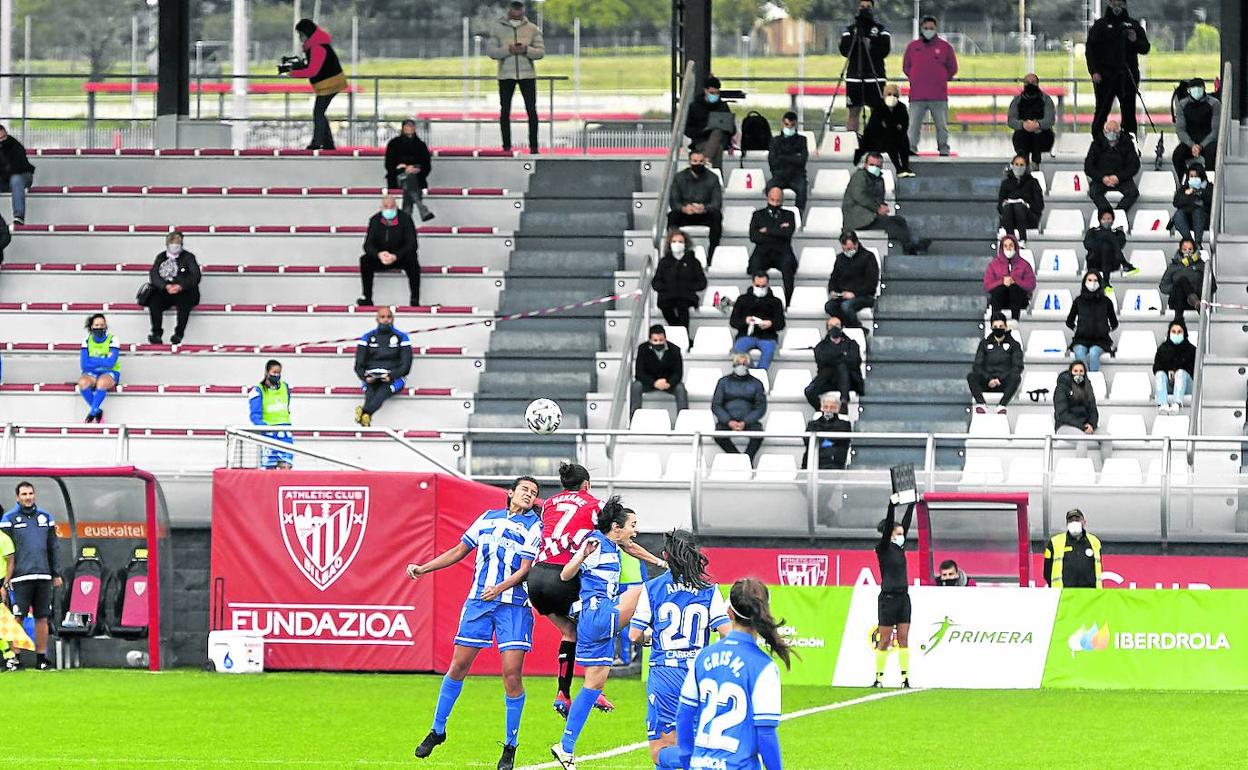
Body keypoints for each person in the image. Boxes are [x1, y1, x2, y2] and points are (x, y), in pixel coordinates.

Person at [408, 476, 542, 770]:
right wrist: (423, 568)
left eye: (533, 493)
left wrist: (499, 587)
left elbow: (525, 569)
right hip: (479, 602)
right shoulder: (487, 518)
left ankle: (510, 746)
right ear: (510, 493)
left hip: (512, 607)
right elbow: (459, 552)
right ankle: (437, 730)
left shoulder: (535, 526)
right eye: (524, 490)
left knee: (511, 675)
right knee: (457, 667)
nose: (529, 495)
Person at [529, 463, 664, 717]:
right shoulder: (596, 504)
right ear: (586, 485)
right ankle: (594, 687)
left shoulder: (549, 504)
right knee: (601, 617)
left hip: (536, 579)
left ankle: (563, 693)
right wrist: (658, 561)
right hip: (563, 575)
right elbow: (624, 540)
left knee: (570, 632)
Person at [551, 498, 647, 769]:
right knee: (645, 591)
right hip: (597, 614)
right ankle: (644, 635)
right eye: (633, 525)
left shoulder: (613, 546)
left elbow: (631, 547)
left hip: (597, 620)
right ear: (616, 527)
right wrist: (581, 555)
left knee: (593, 686)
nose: (635, 531)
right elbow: (566, 575)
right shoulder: (595, 543)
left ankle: (565, 747)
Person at [626, 530, 730, 770]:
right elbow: (726, 632)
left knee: (661, 749)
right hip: (698, 676)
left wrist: (648, 638)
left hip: (665, 674)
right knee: (694, 738)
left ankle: (704, 764)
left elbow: (634, 635)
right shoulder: (709, 590)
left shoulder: (652, 587)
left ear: (665, 555)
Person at [675, 578, 791, 770]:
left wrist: (688, 761)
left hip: (700, 765)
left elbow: (684, 716)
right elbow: (765, 734)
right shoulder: (763, 666)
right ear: (765, 612)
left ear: (729, 612)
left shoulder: (703, 657)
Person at [0, 482, 62, 670]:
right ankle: (15, 659)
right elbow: (4, 550)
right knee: (16, 617)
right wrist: (5, 580)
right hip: (19, 577)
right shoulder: (8, 519)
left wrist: (55, 573)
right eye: (24, 494)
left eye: (30, 493)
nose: (28, 497)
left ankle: (41, 658)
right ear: (17, 497)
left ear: (34, 495)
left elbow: (53, 547)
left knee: (42, 617)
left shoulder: (46, 517)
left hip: (43, 575)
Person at [842, 152, 930, 255]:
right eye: (871, 165)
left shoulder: (879, 179)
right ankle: (910, 247)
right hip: (858, 218)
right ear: (865, 165)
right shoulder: (859, 176)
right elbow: (859, 196)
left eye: (878, 166)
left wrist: (883, 206)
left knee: (899, 220)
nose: (874, 168)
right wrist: (878, 208)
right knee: (891, 224)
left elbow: (878, 199)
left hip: (871, 215)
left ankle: (910, 245)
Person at [1085, 0, 1150, 138]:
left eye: (1120, 4)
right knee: (1102, 110)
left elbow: (1145, 48)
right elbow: (1090, 50)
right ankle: (1098, 141)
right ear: (1109, 4)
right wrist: (1094, 71)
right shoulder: (1100, 25)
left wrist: (1135, 40)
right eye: (1114, 4)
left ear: (1125, 5)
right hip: (1105, 76)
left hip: (1128, 76)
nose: (1117, 7)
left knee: (1128, 111)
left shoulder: (1133, 25)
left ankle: (1129, 141)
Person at [488, 1, 544, 154]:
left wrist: (526, 50)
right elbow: (492, 52)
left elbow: (540, 53)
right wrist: (509, 50)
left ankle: (534, 146)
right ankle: (506, 146)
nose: (517, 11)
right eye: (514, 8)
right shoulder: (498, 29)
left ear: (523, 9)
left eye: (519, 8)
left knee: (531, 111)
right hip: (506, 75)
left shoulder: (532, 29)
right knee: (505, 111)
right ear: (510, 9)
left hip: (527, 75)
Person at [285, 19, 348, 151]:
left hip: (329, 83)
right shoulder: (316, 45)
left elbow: (312, 70)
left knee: (318, 112)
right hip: (329, 83)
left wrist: (293, 73)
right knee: (320, 112)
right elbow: (312, 66)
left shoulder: (317, 47)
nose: (300, 38)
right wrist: (296, 66)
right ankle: (328, 144)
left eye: (301, 35)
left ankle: (317, 143)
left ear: (307, 34)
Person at [873, 494, 914, 688]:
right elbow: (891, 524)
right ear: (889, 533)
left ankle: (905, 678)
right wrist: (891, 505)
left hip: (903, 598)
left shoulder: (900, 548)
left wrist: (912, 503)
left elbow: (906, 522)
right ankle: (879, 677)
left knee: (904, 638)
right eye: (897, 533)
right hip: (888, 599)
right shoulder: (883, 548)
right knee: (885, 640)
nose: (901, 535)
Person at [902, 15, 958, 156]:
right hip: (917, 95)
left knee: (942, 126)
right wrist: (916, 78)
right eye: (926, 28)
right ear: (921, 29)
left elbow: (952, 68)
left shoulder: (945, 47)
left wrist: (940, 78)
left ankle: (943, 149)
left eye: (931, 28)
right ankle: (911, 149)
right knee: (913, 126)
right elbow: (906, 67)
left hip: (938, 95)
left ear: (936, 29)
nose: (928, 30)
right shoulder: (912, 47)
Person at [352, 306, 412, 426]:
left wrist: (391, 375)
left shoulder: (402, 337)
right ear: (377, 319)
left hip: (394, 377)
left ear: (393, 319)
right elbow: (359, 364)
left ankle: (365, 413)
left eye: (389, 317)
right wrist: (365, 377)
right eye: (382, 317)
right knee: (370, 391)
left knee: (383, 391)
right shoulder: (367, 337)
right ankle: (365, 418)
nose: (386, 320)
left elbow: (406, 365)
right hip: (372, 376)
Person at [358, 195, 420, 308]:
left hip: (400, 257)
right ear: (381, 207)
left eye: (392, 206)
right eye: (386, 207)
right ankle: (367, 297)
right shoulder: (375, 220)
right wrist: (379, 255)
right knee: (365, 260)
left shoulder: (406, 219)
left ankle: (415, 298)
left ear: (396, 206)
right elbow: (367, 245)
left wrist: (396, 256)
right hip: (382, 257)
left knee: (413, 261)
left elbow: (412, 244)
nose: (389, 209)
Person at [839, 0, 890, 133]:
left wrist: (870, 46)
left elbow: (884, 50)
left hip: (875, 77)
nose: (865, 9)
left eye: (868, 7)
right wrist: (857, 41)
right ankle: (853, 142)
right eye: (862, 7)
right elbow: (845, 50)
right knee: (853, 112)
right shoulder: (850, 30)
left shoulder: (881, 30)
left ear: (873, 9)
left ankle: (875, 142)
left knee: (877, 112)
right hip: (854, 77)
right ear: (858, 8)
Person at [667, 150, 723, 265]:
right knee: (672, 216)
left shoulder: (713, 178)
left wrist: (704, 208)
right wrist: (684, 208)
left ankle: (712, 256)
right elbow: (674, 201)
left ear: (705, 162)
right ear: (689, 162)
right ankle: (670, 255)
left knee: (717, 216)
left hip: (704, 214)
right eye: (695, 161)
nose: (698, 164)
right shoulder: (679, 177)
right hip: (686, 213)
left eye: (701, 161)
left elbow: (716, 203)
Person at [146, 230, 201, 345]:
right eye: (172, 242)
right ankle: (156, 333)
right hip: (166, 290)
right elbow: (154, 275)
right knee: (154, 301)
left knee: (185, 303)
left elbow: (195, 276)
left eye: (178, 242)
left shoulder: (189, 257)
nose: (175, 245)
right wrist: (165, 286)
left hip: (183, 291)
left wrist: (180, 286)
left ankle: (179, 333)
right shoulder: (161, 257)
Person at [747, 187, 798, 307]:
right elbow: (754, 237)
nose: (775, 203)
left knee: (788, 267)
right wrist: (778, 229)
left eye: (778, 200)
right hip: (763, 253)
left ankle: (788, 302)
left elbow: (787, 234)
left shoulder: (789, 215)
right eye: (772, 200)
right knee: (755, 265)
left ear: (782, 200)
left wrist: (766, 230)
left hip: (782, 253)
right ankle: (756, 300)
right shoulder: (758, 215)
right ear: (767, 198)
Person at [711, 353, 767, 461]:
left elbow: (761, 407)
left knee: (759, 434)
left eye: (744, 363)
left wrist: (745, 422)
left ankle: (748, 458)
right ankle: (738, 459)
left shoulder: (757, 383)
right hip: (727, 421)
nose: (741, 366)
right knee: (718, 434)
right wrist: (728, 421)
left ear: (748, 365)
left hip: (749, 421)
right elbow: (716, 405)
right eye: (738, 363)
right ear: (734, 364)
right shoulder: (723, 382)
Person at [967, 313, 1023, 415]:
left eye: (1001, 327)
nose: (998, 329)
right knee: (971, 376)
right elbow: (977, 365)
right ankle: (981, 404)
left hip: (1004, 382)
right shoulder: (984, 344)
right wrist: (989, 379)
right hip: (987, 381)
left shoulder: (1014, 345)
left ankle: (1002, 405)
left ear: (1006, 327)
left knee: (1016, 377)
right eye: (995, 327)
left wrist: (999, 379)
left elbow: (1018, 366)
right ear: (991, 327)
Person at [805, 316, 863, 412]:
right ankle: (823, 411)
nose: (834, 328)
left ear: (842, 327)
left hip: (849, 382)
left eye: (837, 325)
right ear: (827, 328)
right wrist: (842, 355)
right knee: (809, 391)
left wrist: (834, 358)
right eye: (831, 326)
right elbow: (822, 360)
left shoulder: (852, 344)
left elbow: (855, 361)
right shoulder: (821, 346)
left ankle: (844, 402)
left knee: (842, 367)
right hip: (828, 380)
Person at [652, 229, 707, 330]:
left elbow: (702, 283)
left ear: (686, 244)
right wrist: (666, 287)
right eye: (674, 241)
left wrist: (688, 287)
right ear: (669, 244)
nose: (677, 244)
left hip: (686, 296)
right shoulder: (664, 262)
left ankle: (682, 334)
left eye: (680, 241)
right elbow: (656, 282)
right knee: (666, 306)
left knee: (683, 306)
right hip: (667, 296)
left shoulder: (694, 262)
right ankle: (679, 332)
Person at [730, 273, 786, 370]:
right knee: (739, 349)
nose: (760, 288)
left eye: (763, 286)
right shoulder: (742, 300)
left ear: (768, 284)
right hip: (746, 335)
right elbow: (733, 321)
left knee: (768, 350)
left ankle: (760, 374)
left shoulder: (776, 302)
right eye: (757, 286)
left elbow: (781, 323)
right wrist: (745, 321)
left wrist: (770, 323)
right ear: (752, 283)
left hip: (767, 337)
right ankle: (751, 372)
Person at [631, 325, 689, 418]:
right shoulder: (642, 349)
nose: (658, 343)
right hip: (649, 383)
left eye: (661, 340)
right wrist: (654, 383)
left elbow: (678, 373)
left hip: (668, 383)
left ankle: (684, 420)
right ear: (650, 340)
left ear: (665, 338)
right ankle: (634, 418)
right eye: (655, 340)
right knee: (636, 386)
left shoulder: (675, 350)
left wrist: (669, 383)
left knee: (680, 388)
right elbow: (639, 373)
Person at [856, 82, 914, 177]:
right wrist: (894, 127)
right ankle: (898, 168)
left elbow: (904, 125)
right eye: (889, 94)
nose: (892, 97)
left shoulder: (902, 108)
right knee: (890, 141)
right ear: (884, 95)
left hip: (896, 137)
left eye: (895, 95)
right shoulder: (879, 107)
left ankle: (905, 167)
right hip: (879, 140)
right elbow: (874, 127)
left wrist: (891, 127)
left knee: (903, 140)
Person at [825, 230, 879, 329]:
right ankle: (851, 327)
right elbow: (833, 278)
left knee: (846, 306)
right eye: (844, 249)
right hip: (843, 295)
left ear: (856, 244)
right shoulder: (840, 258)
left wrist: (855, 294)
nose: (847, 251)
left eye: (849, 248)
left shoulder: (868, 257)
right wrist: (832, 291)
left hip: (864, 295)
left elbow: (871, 283)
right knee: (829, 306)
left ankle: (857, 329)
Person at [1084, 119, 1141, 214]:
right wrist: (1102, 178)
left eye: (1115, 130)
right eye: (1109, 130)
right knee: (1093, 192)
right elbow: (1088, 167)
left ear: (1119, 131)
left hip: (1122, 179)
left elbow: (1134, 165)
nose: (1112, 133)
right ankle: (1107, 214)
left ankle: (1118, 214)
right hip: (1101, 179)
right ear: (1104, 131)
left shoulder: (1127, 143)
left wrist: (1118, 177)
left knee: (1133, 193)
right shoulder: (1096, 144)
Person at [1066, 272, 1119, 372]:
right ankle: (1086, 382)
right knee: (1080, 353)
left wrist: (1104, 329)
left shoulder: (1106, 302)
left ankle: (1092, 382)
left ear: (1100, 282)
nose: (1092, 283)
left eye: (1095, 280)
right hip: (1080, 339)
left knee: (1093, 353)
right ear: (1084, 282)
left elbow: (1114, 323)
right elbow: (1069, 321)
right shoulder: (1078, 301)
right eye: (1089, 280)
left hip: (1101, 341)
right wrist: (1077, 329)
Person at [384, 119, 435, 222]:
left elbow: (426, 165)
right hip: (398, 177)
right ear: (403, 128)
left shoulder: (421, 145)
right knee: (409, 180)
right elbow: (389, 165)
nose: (409, 128)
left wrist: (416, 169)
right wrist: (404, 169)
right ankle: (422, 208)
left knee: (409, 183)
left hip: (416, 178)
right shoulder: (394, 144)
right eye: (407, 126)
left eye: (411, 126)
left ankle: (405, 221)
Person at [247, 359, 294, 470]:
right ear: (267, 372)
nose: (277, 375)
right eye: (274, 373)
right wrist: (264, 428)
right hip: (268, 434)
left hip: (285, 433)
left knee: (286, 466)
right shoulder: (258, 390)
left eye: (279, 373)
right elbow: (255, 415)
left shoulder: (285, 387)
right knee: (269, 469)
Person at [1054, 361, 1102, 464]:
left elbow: (1093, 410)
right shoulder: (1062, 387)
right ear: (1071, 372)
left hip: (1086, 426)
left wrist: (1092, 425)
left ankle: (1107, 472)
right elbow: (1062, 414)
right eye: (1075, 371)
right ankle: (1081, 472)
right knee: (1082, 439)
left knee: (1106, 438)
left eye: (1081, 371)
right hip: (1065, 426)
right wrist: (1082, 427)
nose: (1078, 374)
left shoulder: (1088, 387)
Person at [1172, 77, 1220, 180]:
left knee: (1212, 155)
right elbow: (1180, 129)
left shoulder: (1214, 104)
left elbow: (1215, 130)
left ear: (1204, 88)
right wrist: (1192, 145)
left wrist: (1201, 146)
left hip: (1208, 141)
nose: (1197, 90)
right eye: (1194, 88)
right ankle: (1183, 182)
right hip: (1190, 141)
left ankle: (1210, 183)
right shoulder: (1182, 105)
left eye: (1199, 88)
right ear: (1189, 90)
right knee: (1177, 156)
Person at [982, 234, 1035, 324]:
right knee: (999, 289)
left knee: (1014, 288)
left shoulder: (1024, 265)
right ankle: (996, 322)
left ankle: (1015, 320)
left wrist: (1015, 281)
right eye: (1005, 246)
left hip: (1019, 301)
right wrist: (1001, 281)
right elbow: (987, 285)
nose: (1008, 248)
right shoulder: (993, 265)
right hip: (1000, 299)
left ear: (1015, 247)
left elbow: (1031, 284)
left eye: (1011, 245)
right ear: (1002, 248)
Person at [1007, 74, 1056, 171]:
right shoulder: (1017, 101)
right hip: (1022, 133)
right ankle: (1023, 165)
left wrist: (1037, 125)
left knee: (1038, 135)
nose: (1030, 85)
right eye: (1027, 83)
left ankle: (1035, 164)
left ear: (1038, 84)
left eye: (1033, 82)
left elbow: (1050, 120)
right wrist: (1023, 125)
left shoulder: (1046, 100)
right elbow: (1011, 121)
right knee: (1021, 136)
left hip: (1043, 134)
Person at [1044, 509, 1103, 589]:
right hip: (1063, 594)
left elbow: (1098, 568)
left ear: (1084, 522)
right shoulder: (1055, 542)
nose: (1074, 522)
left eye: (1077, 519)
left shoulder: (1094, 542)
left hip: (1090, 594)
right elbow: (1047, 571)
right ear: (1067, 524)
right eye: (1070, 520)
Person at [1083, 207, 1137, 294]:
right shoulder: (1092, 232)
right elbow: (1088, 245)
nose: (1106, 221)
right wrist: (1106, 236)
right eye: (1104, 219)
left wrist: (1105, 237)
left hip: (1113, 263)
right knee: (1106, 244)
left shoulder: (1118, 233)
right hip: (1095, 263)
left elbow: (1120, 244)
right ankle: (1125, 265)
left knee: (1106, 246)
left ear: (1113, 220)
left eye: (1109, 219)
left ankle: (1106, 282)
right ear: (1099, 220)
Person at [78, 313, 119, 424]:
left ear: (105, 326)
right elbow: (84, 365)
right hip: (91, 373)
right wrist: (103, 360)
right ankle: (97, 410)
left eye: (102, 325)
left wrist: (92, 359)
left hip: (110, 372)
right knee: (82, 383)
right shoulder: (86, 341)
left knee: (101, 383)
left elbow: (111, 363)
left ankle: (91, 414)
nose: (99, 327)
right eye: (96, 325)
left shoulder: (112, 339)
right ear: (91, 327)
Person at [1159, 238, 1213, 322]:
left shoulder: (1202, 265)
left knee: (1183, 282)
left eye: (1190, 249)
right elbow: (1163, 287)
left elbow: (1212, 286)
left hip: (1196, 301)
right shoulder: (1174, 266)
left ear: (1194, 250)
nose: (1187, 252)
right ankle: (1193, 303)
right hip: (1176, 300)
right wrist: (1176, 287)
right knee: (1181, 281)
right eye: (1184, 249)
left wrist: (1197, 288)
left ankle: (1192, 306)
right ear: (1180, 250)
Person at [684, 76, 733, 167]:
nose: (714, 95)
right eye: (712, 93)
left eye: (717, 93)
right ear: (705, 91)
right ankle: (708, 164)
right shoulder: (695, 107)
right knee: (717, 148)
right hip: (701, 140)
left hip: (720, 139)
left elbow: (732, 128)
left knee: (717, 131)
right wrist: (703, 130)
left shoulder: (723, 106)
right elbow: (687, 130)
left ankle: (704, 162)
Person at [766, 112, 809, 213]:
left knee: (802, 189)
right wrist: (794, 157)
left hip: (797, 176)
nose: (789, 128)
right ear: (782, 124)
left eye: (792, 125)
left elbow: (802, 161)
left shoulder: (802, 140)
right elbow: (773, 162)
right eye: (786, 125)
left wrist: (782, 157)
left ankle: (799, 215)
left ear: (796, 124)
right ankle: (773, 212)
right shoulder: (775, 141)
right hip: (780, 176)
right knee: (770, 186)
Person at [997, 154, 1045, 244]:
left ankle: (1023, 239)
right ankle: (1011, 240)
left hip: (1029, 218)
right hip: (1010, 217)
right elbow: (1000, 207)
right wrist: (1004, 204)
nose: (1019, 167)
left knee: (1019, 207)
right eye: (1017, 164)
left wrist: (1026, 204)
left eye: (1021, 165)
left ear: (1026, 167)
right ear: (1012, 165)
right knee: (1008, 208)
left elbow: (1039, 205)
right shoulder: (1005, 183)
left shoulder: (1033, 182)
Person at [1153, 321, 1196, 415]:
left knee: (1180, 373)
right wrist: (1167, 371)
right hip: (1169, 384)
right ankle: (1163, 404)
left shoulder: (1192, 350)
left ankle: (1177, 403)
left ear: (1184, 333)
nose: (1176, 334)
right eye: (1173, 331)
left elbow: (1193, 370)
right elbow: (1156, 367)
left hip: (1186, 385)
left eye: (1179, 332)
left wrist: (1176, 370)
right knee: (1160, 374)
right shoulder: (1162, 349)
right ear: (1169, 333)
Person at [802, 392, 852, 470]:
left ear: (838, 409)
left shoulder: (844, 425)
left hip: (834, 464)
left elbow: (840, 440)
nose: (828, 410)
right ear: (821, 408)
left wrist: (820, 443)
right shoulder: (812, 424)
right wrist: (829, 442)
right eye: (826, 407)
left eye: (832, 407)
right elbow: (807, 441)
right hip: (812, 464)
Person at [0, 124, 35, 224]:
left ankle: (19, 216)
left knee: (16, 179)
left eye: (3, 137)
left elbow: (18, 168)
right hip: (5, 178)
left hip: (22, 175)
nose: (2, 140)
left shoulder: (15, 146)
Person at [1171, 166, 1213, 245]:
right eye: (1191, 176)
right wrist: (1192, 199)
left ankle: (1198, 243)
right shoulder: (1184, 189)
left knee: (1197, 212)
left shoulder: (1210, 187)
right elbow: (1176, 202)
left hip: (1204, 220)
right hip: (1187, 220)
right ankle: (1190, 242)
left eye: (1196, 176)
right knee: (1178, 214)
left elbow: (1209, 200)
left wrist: (1195, 193)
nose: (1193, 179)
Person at [0, 526, 17, 671]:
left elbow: (11, 562)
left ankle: (9, 657)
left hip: (0, 583)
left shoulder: (4, 539)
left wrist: (4, 584)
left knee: (3, 622)